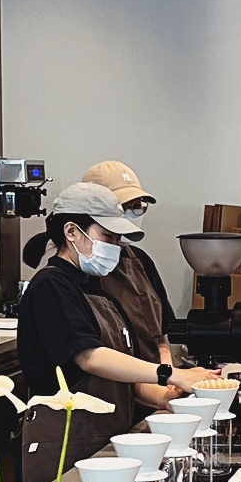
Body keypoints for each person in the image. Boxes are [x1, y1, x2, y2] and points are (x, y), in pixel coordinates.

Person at [15, 181, 218, 482]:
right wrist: (172, 374)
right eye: (107, 236)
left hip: (103, 440)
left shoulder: (97, 289)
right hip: (65, 443)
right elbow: (90, 358)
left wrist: (166, 397)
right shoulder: (51, 286)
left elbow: (121, 375)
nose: (115, 246)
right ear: (72, 232)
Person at [77, 159, 178, 394]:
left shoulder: (140, 261)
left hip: (155, 390)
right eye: (124, 206)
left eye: (138, 206)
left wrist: (168, 382)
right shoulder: (72, 276)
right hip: (107, 399)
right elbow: (91, 358)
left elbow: (160, 339)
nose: (133, 213)